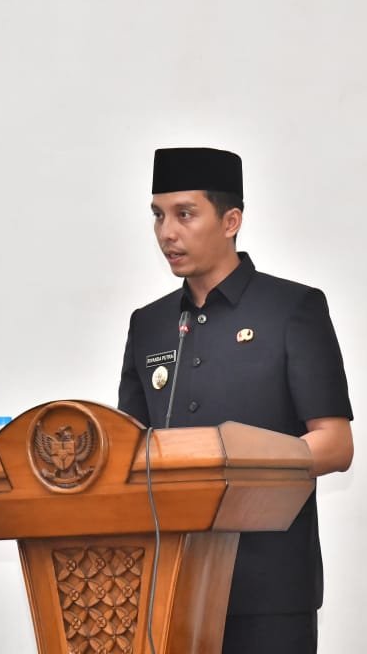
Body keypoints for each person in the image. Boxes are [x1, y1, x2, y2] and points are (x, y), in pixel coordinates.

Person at [117, 147, 354, 653]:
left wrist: (234, 466)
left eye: (185, 214)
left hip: (269, 587)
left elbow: (335, 444)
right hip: (169, 585)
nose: (166, 233)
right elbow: (127, 450)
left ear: (231, 221)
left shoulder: (292, 309)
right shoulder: (149, 324)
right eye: (158, 215)